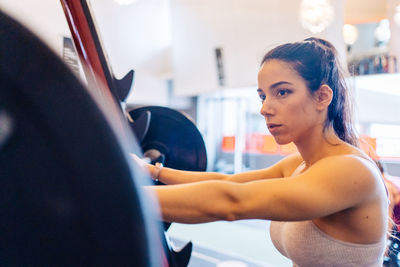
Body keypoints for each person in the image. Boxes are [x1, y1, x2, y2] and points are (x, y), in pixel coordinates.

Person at [136, 37, 389, 266]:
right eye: (262, 96)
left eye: (282, 92)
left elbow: (232, 201)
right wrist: (149, 170)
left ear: (322, 96)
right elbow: (228, 182)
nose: (265, 108)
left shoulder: (350, 170)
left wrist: (119, 190)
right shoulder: (299, 165)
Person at [375, 160, 400, 266]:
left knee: (390, 258)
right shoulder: (392, 180)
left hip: (397, 226)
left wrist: (385, 245)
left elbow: (388, 218)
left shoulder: (386, 186)